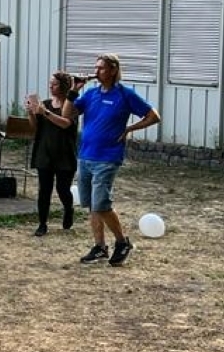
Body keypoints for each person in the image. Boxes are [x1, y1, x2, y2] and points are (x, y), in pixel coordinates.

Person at [61, 53, 160, 266]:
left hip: (107, 158)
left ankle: (122, 242)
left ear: (113, 70)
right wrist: (73, 91)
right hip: (86, 155)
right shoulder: (91, 94)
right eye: (96, 68)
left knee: (101, 204)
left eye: (101, 68)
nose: (96, 72)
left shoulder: (125, 94)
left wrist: (129, 128)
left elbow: (153, 116)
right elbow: (66, 114)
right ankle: (99, 247)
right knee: (92, 205)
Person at [24, 71, 79, 237]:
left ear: (63, 86)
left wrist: (45, 113)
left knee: (63, 189)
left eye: (54, 84)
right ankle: (42, 224)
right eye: (50, 84)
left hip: (64, 153)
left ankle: (68, 209)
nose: (50, 87)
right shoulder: (45, 104)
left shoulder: (71, 105)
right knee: (44, 190)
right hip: (44, 152)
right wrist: (31, 112)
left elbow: (65, 124)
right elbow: (35, 127)